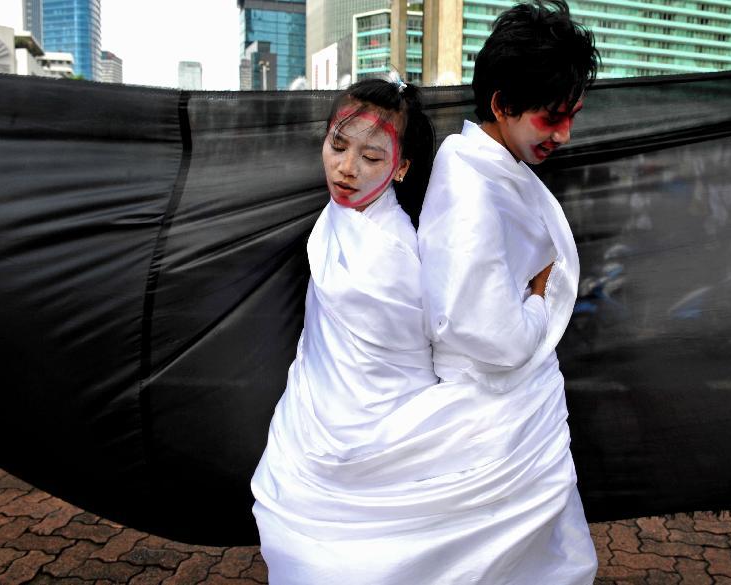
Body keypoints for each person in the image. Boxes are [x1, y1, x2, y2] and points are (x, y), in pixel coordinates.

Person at [417, 1, 600, 583]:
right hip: (491, 416)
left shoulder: (482, 164)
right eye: (551, 118)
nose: (565, 134)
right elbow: (491, 333)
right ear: (501, 104)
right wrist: (540, 297)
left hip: (502, 411)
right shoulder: (473, 191)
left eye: (572, 115)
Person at [250, 77, 441, 583]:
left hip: (383, 441)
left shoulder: (398, 251)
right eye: (337, 145)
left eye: (373, 158)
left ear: (401, 168)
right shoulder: (340, 212)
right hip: (312, 420)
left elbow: (417, 353)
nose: (347, 167)